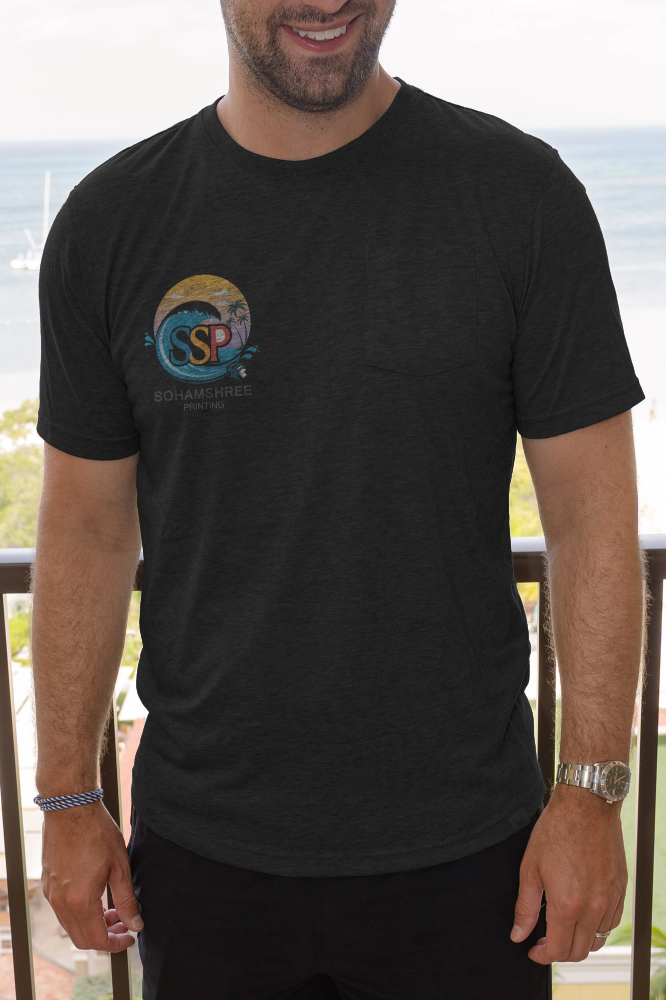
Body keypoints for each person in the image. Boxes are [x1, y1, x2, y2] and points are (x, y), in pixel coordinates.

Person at [31, 1, 646, 998]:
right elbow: (88, 532)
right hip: (204, 859)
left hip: (469, 853)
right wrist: (67, 797)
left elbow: (592, 519)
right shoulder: (112, 222)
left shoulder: (520, 196)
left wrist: (590, 792)